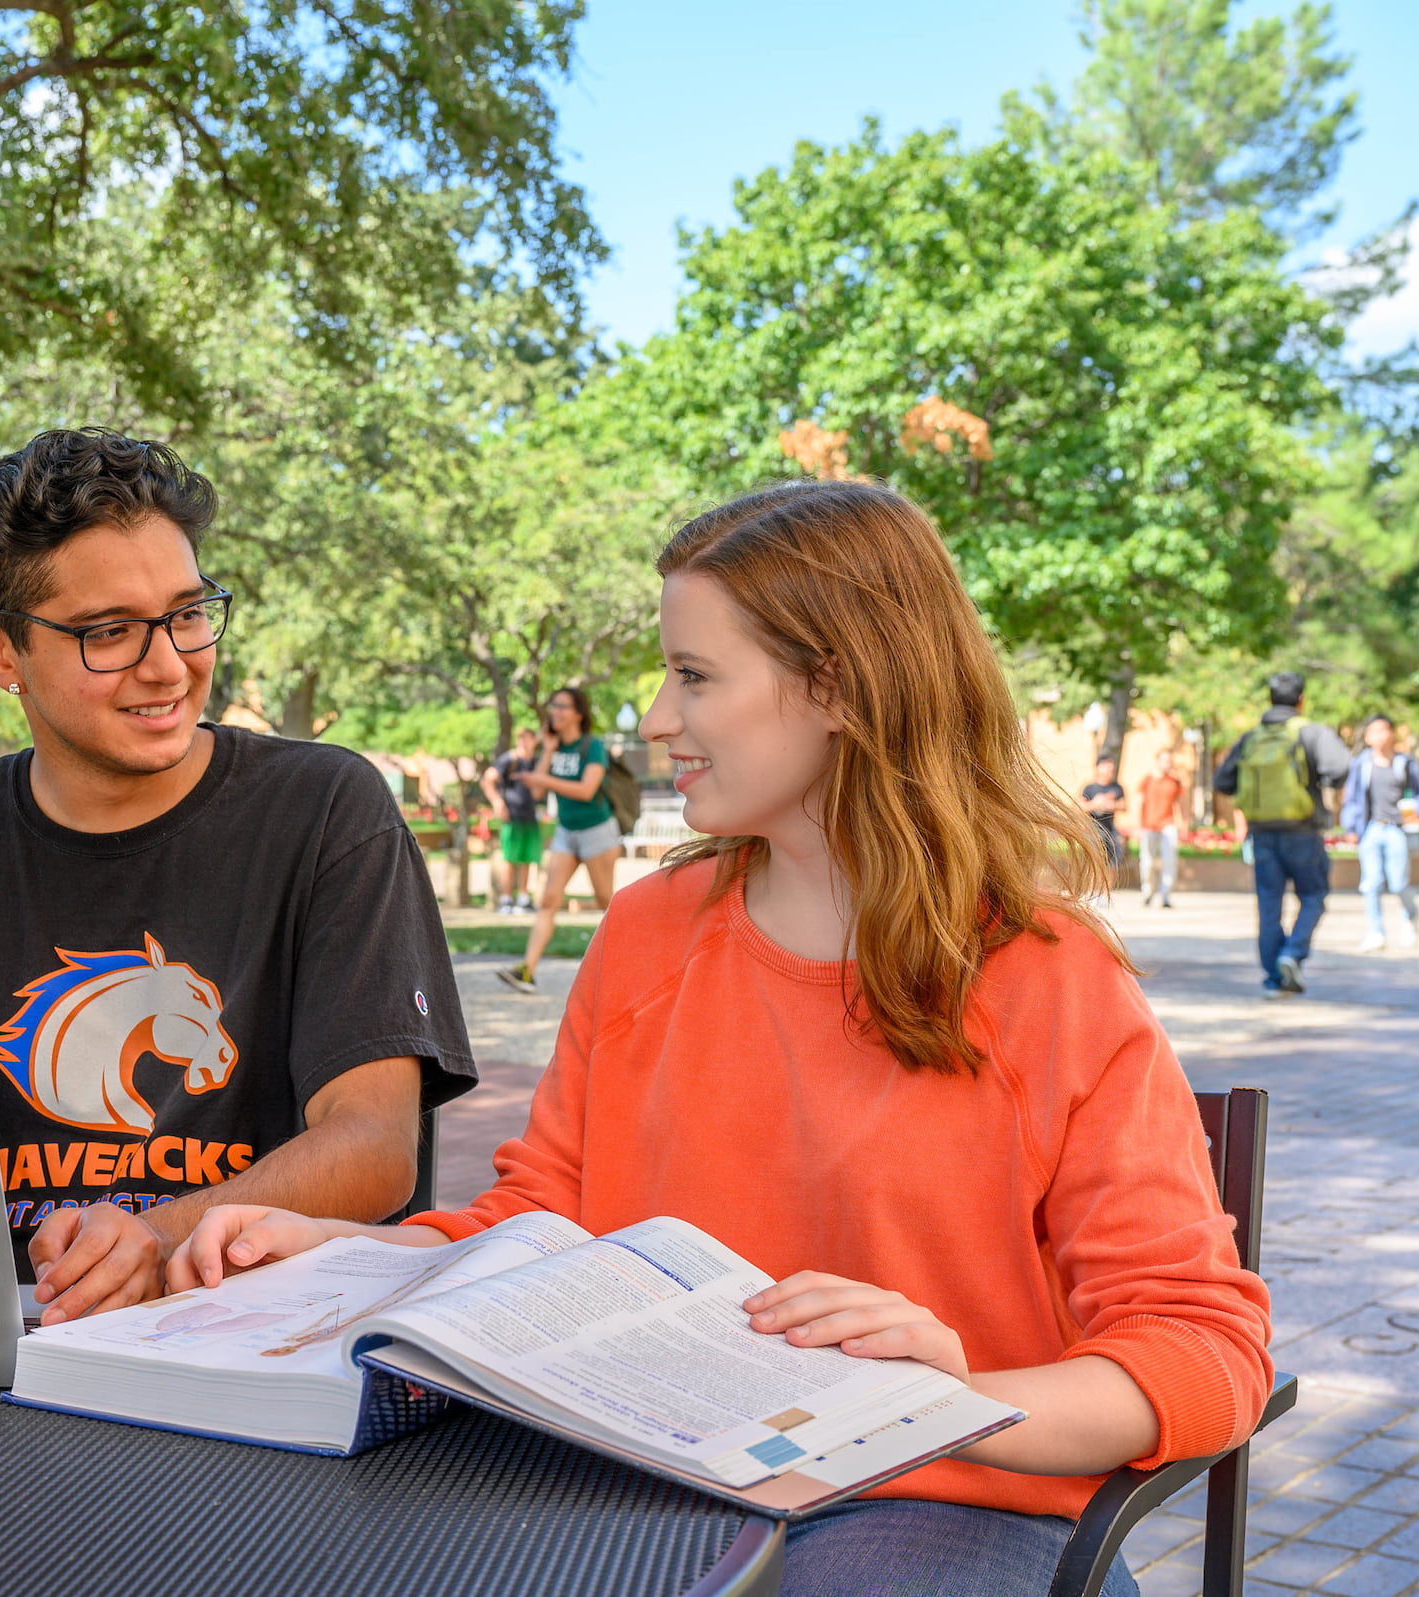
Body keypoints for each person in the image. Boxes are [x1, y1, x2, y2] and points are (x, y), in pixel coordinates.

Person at [176, 481, 1266, 1597]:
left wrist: (950, 1393)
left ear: (838, 685)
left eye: (693, 676)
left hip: (933, 1501)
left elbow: (1205, 1356)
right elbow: (541, 1221)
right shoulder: (649, 931)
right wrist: (343, 1254)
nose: (653, 718)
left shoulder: (1051, 979)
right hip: (639, 1482)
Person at [0, 428, 475, 1324]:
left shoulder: (327, 809)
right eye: (108, 633)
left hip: (247, 1336)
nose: (168, 665)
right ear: (0, 654)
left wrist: (154, 1238)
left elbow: (374, 1144)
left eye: (188, 613)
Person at [1213, 672, 1351, 999]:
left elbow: (1223, 781)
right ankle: (1293, 953)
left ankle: (1275, 978)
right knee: (1314, 895)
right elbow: (1340, 768)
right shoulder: (1311, 732)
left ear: (1270, 699)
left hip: (1262, 833)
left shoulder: (1251, 738)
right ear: (1301, 699)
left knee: (1269, 904)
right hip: (1302, 831)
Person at [496, 686, 621, 994]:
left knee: (609, 903)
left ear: (578, 713)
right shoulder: (552, 749)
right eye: (553, 706)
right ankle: (527, 970)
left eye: (562, 706)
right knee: (548, 900)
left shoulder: (592, 747)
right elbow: (537, 793)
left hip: (597, 831)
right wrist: (548, 751)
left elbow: (586, 790)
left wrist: (544, 779)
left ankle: (625, 971)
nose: (555, 711)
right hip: (567, 831)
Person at [1339, 715, 1419, 952]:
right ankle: (1376, 932)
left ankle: (1410, 915)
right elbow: (1352, 798)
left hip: (1397, 828)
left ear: (1392, 734)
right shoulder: (1361, 764)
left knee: (1399, 883)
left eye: (1383, 730)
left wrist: (1416, 809)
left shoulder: (1404, 763)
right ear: (1368, 737)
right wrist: (1350, 827)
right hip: (1371, 828)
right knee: (1371, 883)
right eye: (1374, 732)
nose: (1379, 736)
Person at [483, 725, 544, 915]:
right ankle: (506, 899)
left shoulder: (536, 761)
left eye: (527, 738)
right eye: (521, 738)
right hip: (511, 817)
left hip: (530, 816)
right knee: (509, 858)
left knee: (527, 859)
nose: (524, 742)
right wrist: (497, 802)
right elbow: (487, 779)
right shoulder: (510, 759)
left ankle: (523, 898)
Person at [1136, 747, 1186, 908]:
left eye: (1169, 761)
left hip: (1168, 825)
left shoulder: (1174, 782)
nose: (1167, 764)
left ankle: (1165, 895)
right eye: (1164, 760)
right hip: (1149, 826)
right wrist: (1138, 826)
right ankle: (1148, 892)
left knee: (1169, 860)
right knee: (1147, 862)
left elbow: (1180, 803)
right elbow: (1140, 802)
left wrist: (1183, 824)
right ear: (1158, 761)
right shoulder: (1147, 780)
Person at [1079, 756, 1125, 868]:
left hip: (1110, 829)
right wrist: (1095, 803)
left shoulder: (1116, 788)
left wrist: (1112, 805)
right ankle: (1094, 885)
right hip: (1093, 830)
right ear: (1099, 768)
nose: (1110, 771)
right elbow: (1080, 807)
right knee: (1094, 863)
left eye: (1112, 769)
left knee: (1113, 862)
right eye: (1108, 768)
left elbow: (1124, 805)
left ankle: (1109, 886)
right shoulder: (1089, 788)